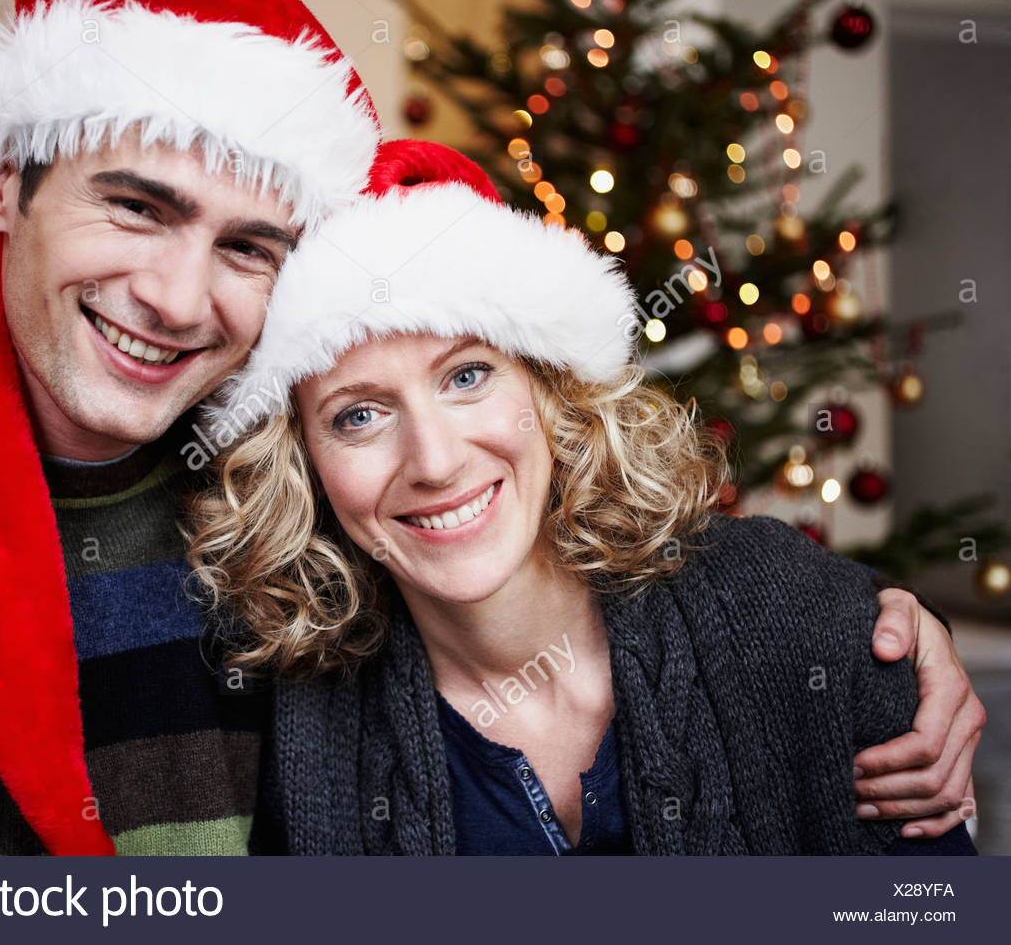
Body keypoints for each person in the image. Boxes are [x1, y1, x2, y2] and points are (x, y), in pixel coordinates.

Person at [0, 0, 980, 851]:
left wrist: (867, 636)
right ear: (5, 180)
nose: (174, 295)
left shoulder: (254, 504)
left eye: (249, 244)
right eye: (136, 207)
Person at [187, 140, 981, 854]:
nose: (433, 462)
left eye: (468, 376)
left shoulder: (800, 617)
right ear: (304, 468)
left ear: (553, 392)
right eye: (358, 416)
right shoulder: (286, 717)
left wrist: (901, 637)